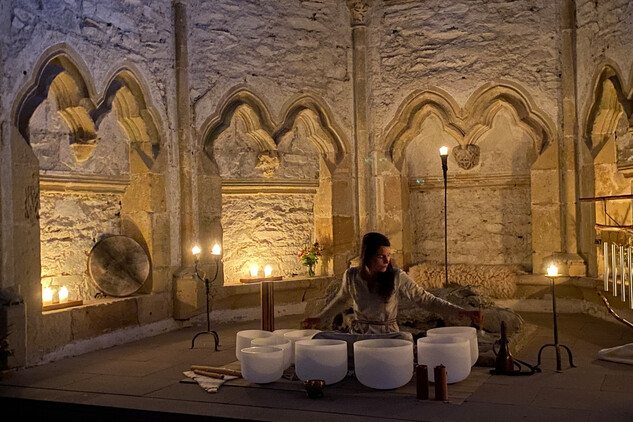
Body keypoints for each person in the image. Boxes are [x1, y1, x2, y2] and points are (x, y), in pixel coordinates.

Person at [301, 232, 482, 336]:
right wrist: (319, 317)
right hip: (360, 335)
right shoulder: (352, 276)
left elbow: (425, 299)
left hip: (387, 335)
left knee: (407, 340)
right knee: (322, 339)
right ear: (368, 256)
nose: (387, 261)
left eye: (389, 256)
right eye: (381, 256)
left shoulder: (396, 276)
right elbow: (341, 300)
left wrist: (462, 311)